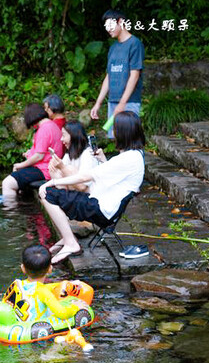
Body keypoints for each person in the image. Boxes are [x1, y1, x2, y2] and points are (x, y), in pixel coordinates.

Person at [39, 111, 145, 264]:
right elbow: (117, 177)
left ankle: (71, 243)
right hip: (101, 205)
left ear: (123, 133)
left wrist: (51, 182)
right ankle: (67, 238)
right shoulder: (135, 155)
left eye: (115, 129)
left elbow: (85, 177)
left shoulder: (128, 158)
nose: (113, 133)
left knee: (48, 194)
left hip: (100, 209)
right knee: (56, 193)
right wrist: (104, 161)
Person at [90, 9, 145, 134]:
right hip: (113, 101)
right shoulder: (113, 48)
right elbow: (108, 77)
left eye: (110, 25)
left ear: (120, 22)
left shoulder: (135, 44)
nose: (108, 29)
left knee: (130, 139)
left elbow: (134, 75)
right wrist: (98, 103)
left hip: (129, 102)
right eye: (106, 27)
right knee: (117, 140)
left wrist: (122, 103)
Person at [0, 103, 64, 201]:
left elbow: (39, 156)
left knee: (7, 183)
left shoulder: (44, 129)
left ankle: (11, 211)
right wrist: (30, 154)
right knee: (17, 177)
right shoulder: (52, 125)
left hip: (45, 170)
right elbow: (44, 150)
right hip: (49, 167)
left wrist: (21, 165)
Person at [11, 244, 81, 322]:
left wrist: (64, 283)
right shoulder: (44, 292)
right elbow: (62, 313)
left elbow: (39, 288)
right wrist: (76, 307)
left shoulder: (18, 284)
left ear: (23, 268)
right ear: (50, 269)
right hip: (37, 329)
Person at [48, 121, 100, 189]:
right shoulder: (69, 154)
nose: (61, 139)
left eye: (63, 135)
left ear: (73, 136)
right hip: (73, 192)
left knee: (69, 169)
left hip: (89, 194)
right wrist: (54, 166)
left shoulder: (87, 155)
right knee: (54, 170)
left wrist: (62, 167)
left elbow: (82, 187)